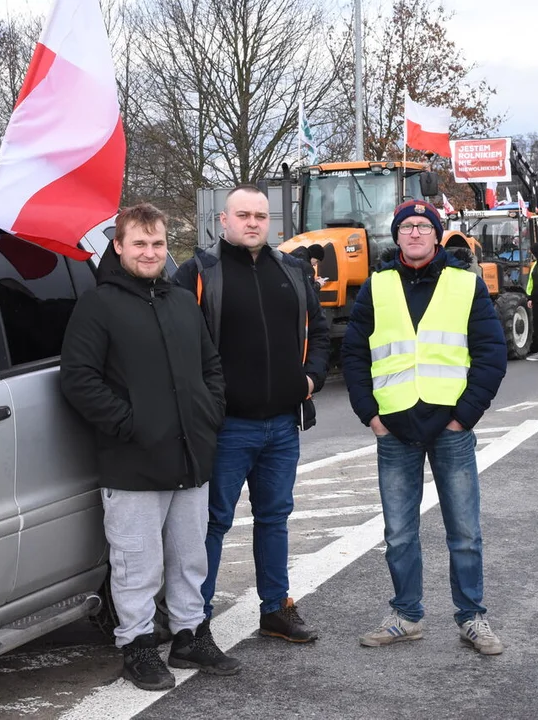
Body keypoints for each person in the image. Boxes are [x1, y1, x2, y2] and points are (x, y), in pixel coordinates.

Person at [60, 203, 240, 691]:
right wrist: (130, 424)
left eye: (157, 243)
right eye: (139, 243)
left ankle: (190, 635)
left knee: (189, 557)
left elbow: (212, 368)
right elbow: (78, 379)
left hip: (190, 456)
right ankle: (137, 646)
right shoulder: (98, 305)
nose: (150, 252)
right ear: (118, 247)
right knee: (137, 564)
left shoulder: (182, 302)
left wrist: (208, 415)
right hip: (133, 461)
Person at [341, 200, 508, 655]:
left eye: (423, 226)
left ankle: (472, 618)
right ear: (396, 237)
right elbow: (354, 356)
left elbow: (491, 355)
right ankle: (406, 616)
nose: (415, 233)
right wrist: (370, 416)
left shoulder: (465, 284)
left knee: (465, 532)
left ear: (437, 235)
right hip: (394, 428)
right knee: (398, 532)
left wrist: (463, 417)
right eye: (406, 227)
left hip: (450, 427)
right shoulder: (377, 286)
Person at [173, 185, 330, 643]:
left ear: (271, 222)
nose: (253, 223)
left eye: (261, 215)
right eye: (243, 214)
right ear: (223, 221)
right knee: (213, 522)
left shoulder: (295, 271)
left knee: (275, 518)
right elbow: (180, 346)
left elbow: (319, 333)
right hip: (226, 429)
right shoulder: (199, 273)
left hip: (283, 425)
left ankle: (275, 609)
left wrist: (310, 381)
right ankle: (195, 619)